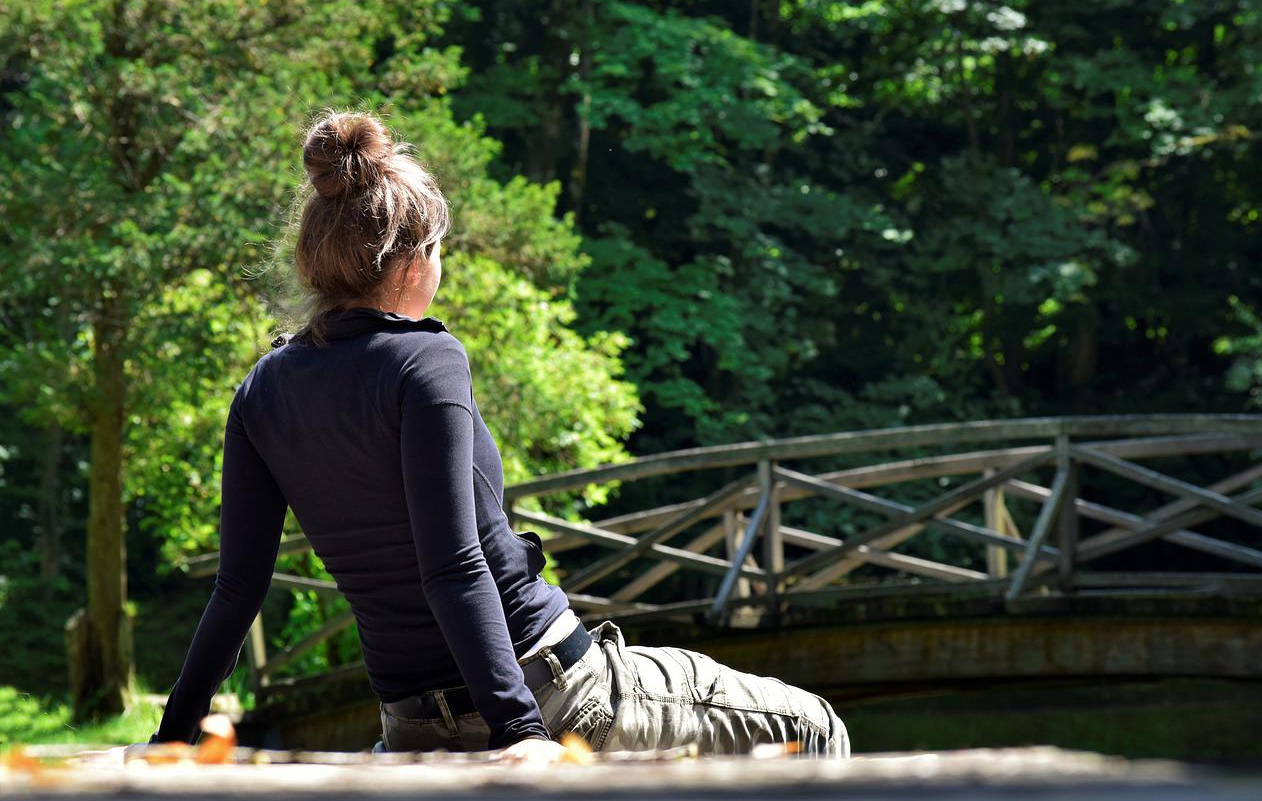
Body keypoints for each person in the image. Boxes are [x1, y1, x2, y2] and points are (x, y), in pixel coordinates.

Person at [147, 111, 850, 762]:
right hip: (555, 691)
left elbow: (238, 587)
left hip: (410, 722)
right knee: (813, 727)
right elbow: (451, 562)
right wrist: (520, 729)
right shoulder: (427, 357)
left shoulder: (264, 388)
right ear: (412, 259)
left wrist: (171, 737)